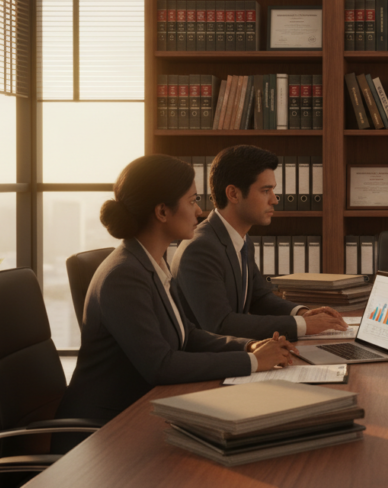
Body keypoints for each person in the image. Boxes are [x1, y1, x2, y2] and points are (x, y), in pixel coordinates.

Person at [53, 155, 295, 447]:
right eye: (192, 201)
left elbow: (188, 335)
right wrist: (252, 362)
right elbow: (161, 365)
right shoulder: (123, 276)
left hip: (142, 412)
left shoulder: (151, 263)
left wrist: (248, 345)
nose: (198, 210)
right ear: (162, 211)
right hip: (105, 434)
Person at [171, 145, 346, 342]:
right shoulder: (201, 248)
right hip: (211, 365)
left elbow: (259, 298)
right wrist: (302, 326)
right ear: (233, 194)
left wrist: (302, 313)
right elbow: (220, 325)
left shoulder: (241, 239)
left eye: (273, 190)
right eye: (266, 190)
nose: (274, 199)